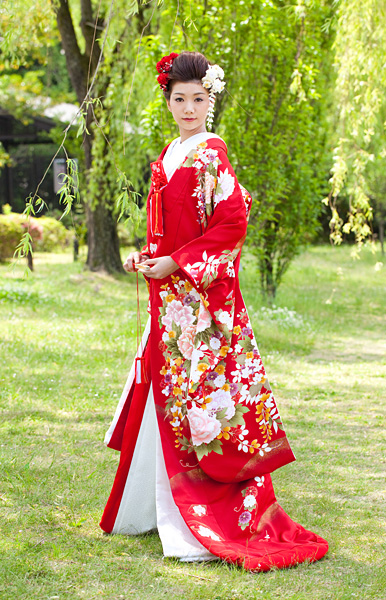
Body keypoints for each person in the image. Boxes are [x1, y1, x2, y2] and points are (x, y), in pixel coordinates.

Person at [100, 51, 329, 571]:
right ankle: (158, 510)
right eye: (180, 99)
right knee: (169, 398)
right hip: (171, 298)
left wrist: (177, 264)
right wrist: (148, 255)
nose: (189, 108)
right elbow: (170, 227)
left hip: (200, 305)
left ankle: (195, 521)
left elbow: (231, 224)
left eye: (198, 99)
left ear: (211, 101)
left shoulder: (211, 155)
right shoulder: (171, 153)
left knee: (201, 404)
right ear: (168, 102)